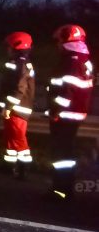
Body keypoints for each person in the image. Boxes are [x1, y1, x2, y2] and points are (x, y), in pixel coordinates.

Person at [46, 24, 93, 199]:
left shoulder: (71, 60)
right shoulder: (83, 59)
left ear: (66, 40)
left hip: (65, 113)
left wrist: (56, 110)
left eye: (59, 40)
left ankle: (60, 190)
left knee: (61, 153)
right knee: (66, 151)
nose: (57, 44)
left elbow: (67, 90)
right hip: (76, 112)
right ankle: (65, 189)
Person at [0, 32, 35, 179]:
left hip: (17, 108)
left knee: (18, 139)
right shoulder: (19, 61)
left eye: (9, 46)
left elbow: (19, 87)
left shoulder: (21, 63)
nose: (7, 49)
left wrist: (9, 106)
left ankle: (23, 169)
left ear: (16, 47)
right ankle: (9, 167)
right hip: (15, 108)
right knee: (11, 138)